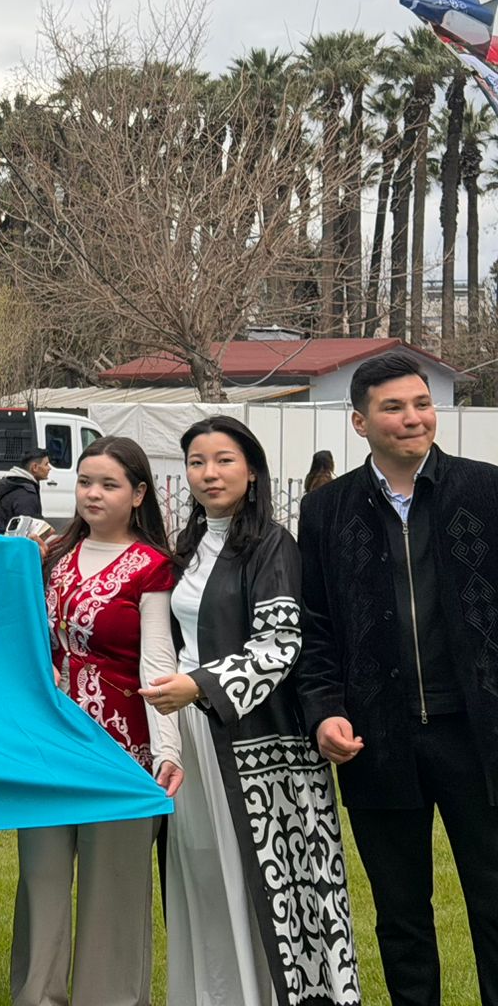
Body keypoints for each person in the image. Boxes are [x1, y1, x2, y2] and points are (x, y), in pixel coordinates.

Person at [296, 352, 498, 1006]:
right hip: (376, 742)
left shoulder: (487, 491)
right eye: (394, 407)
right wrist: (324, 708)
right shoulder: (327, 512)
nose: (413, 418)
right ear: (359, 421)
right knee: (403, 919)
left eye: (422, 404)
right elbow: (316, 623)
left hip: (479, 739)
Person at [141, 416, 360, 1006]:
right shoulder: (185, 548)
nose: (209, 473)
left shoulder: (271, 545)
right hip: (194, 736)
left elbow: (280, 645)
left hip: (261, 749)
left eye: (224, 460)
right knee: (205, 879)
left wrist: (199, 685)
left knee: (268, 892)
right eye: (196, 462)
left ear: (253, 470)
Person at [10, 436, 180, 1006]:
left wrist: (168, 751)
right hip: (50, 748)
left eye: (109, 484)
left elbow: (159, 663)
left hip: (122, 752)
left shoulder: (154, 568)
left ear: (138, 495)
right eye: (85, 482)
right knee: (42, 887)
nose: (93, 494)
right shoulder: (50, 555)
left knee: (114, 898)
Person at [0, 447, 51, 534]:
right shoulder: (26, 494)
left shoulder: (15, 485)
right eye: (46, 464)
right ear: (35, 467)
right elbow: (26, 532)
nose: (49, 468)